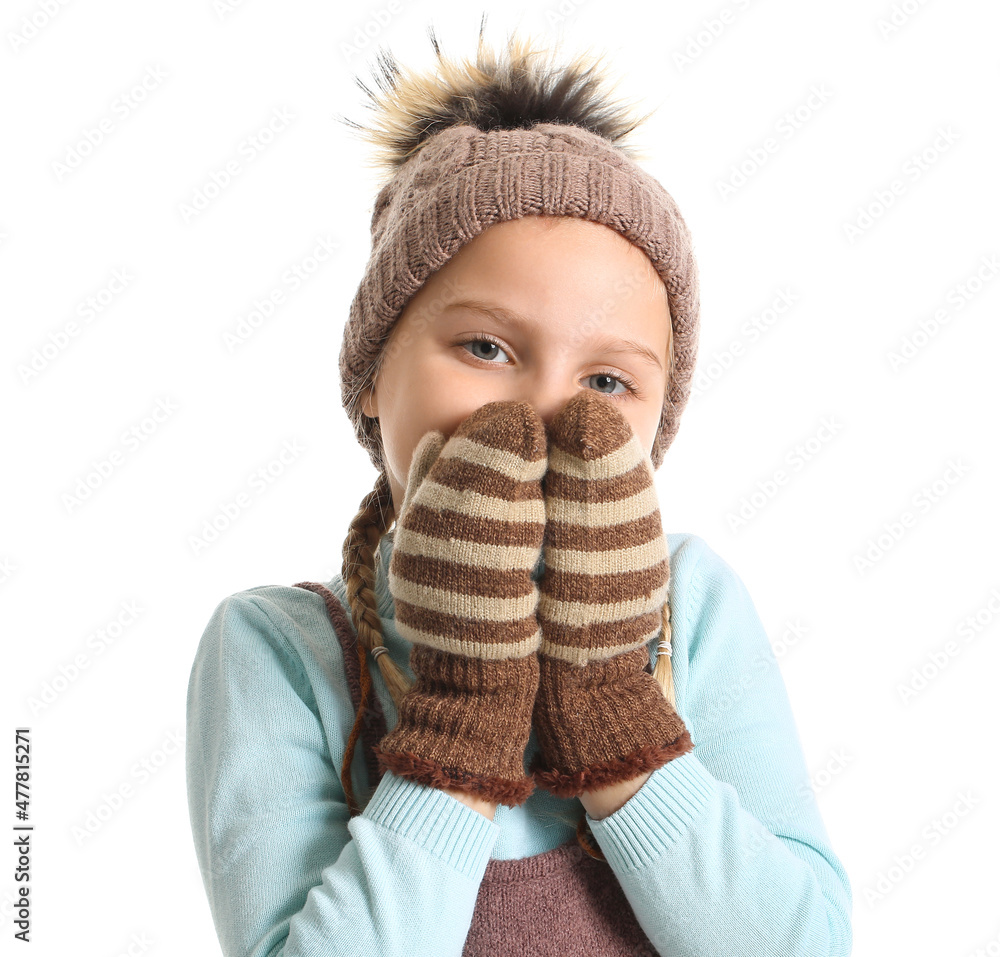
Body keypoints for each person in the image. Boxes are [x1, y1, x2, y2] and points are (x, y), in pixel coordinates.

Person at [185, 20, 853, 957]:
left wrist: (611, 705)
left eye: (606, 382)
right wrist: (465, 712)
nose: (540, 414)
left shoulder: (691, 604)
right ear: (375, 372)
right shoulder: (276, 653)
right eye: (487, 348)